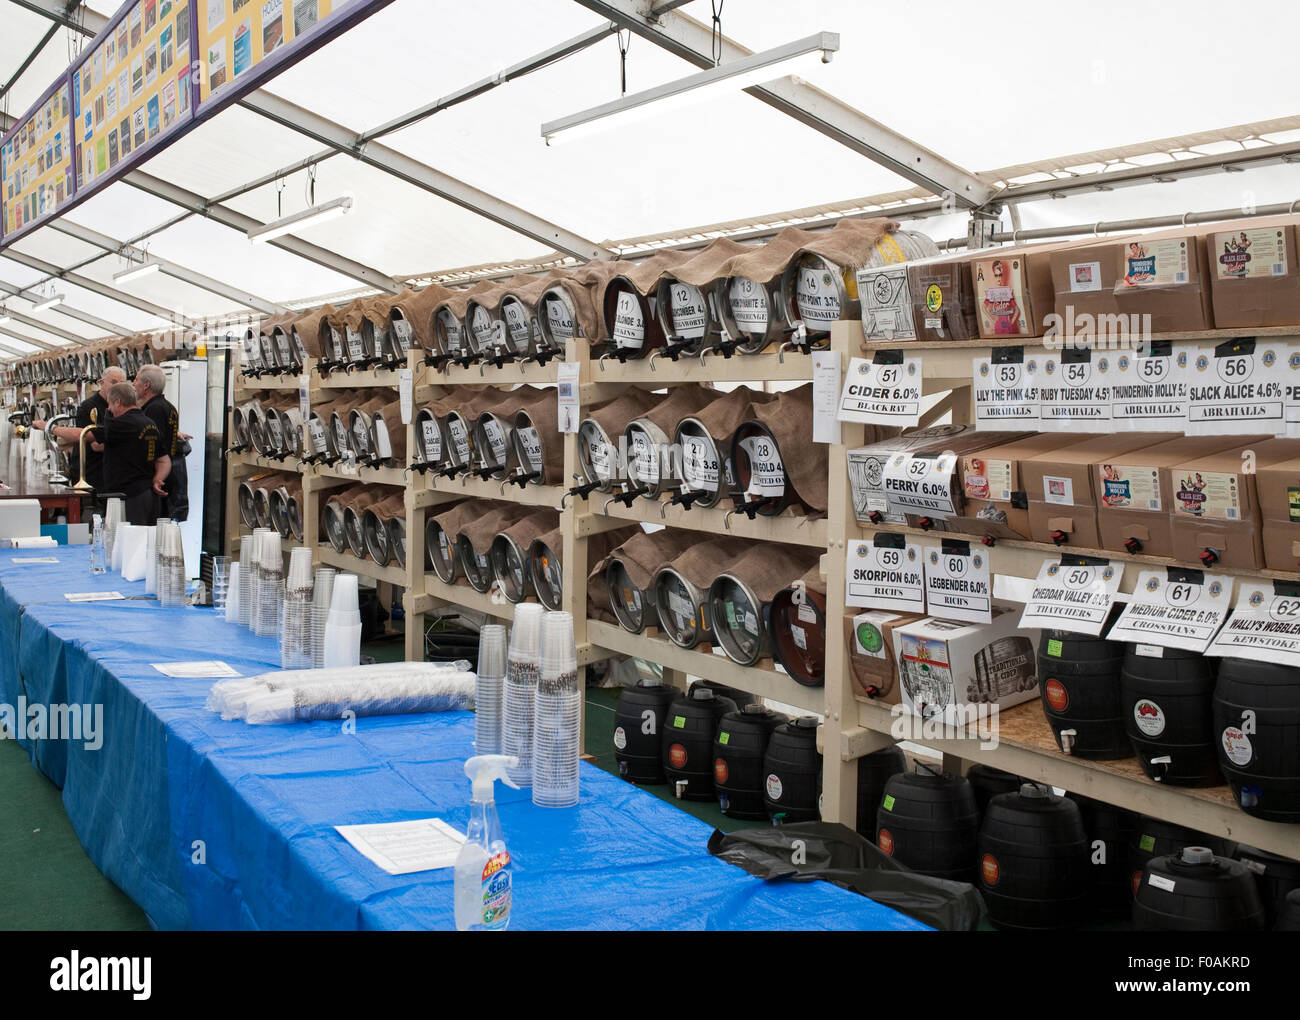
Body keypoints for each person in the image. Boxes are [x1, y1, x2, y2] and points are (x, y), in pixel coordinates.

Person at [31, 365, 126, 490]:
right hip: (92, 473)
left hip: (113, 474)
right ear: (101, 383)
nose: (118, 387)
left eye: (122, 383)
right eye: (114, 382)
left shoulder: (123, 406)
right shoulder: (89, 407)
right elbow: (95, 444)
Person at [91, 382, 167, 526]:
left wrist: (52, 428)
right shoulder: (148, 422)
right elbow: (164, 460)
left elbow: (86, 435)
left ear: (118, 402)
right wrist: (158, 479)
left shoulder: (123, 423)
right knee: (147, 540)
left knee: (133, 541)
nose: (109, 409)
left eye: (110, 404)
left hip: (131, 496)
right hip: (149, 494)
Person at [134, 364, 189, 519]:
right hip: (167, 478)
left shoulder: (153, 410)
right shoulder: (168, 407)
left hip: (159, 482)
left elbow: (155, 446)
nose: (133, 384)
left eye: (136, 380)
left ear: (146, 385)